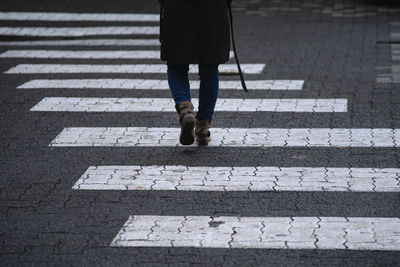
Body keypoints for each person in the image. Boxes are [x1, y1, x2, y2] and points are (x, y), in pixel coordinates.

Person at [158, 0, 233, 146]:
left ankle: (185, 110)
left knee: (176, 66)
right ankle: (203, 127)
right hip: (213, 10)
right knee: (210, 68)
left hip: (177, 10)